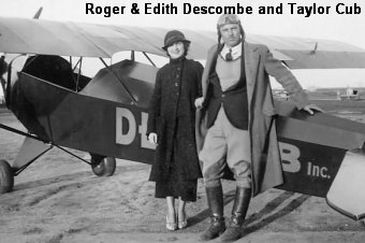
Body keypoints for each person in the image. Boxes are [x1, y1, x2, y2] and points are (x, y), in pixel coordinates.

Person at [195, 14, 322, 242]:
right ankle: (216, 222)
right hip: (216, 119)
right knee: (209, 169)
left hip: (243, 120)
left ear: (241, 30)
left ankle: (236, 225)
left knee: (242, 170)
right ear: (220, 33)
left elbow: (283, 74)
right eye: (226, 30)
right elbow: (211, 83)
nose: (231, 33)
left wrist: (302, 101)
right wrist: (202, 98)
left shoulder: (257, 52)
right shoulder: (213, 51)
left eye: (234, 28)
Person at [147, 30, 203, 231]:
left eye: (178, 44)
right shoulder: (162, 73)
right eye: (171, 45)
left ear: (184, 46)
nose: (175, 47)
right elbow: (155, 102)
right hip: (166, 128)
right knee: (166, 170)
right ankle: (170, 209)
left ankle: (181, 209)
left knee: (187, 170)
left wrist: (200, 99)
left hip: (189, 128)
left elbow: (205, 92)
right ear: (167, 50)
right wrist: (151, 129)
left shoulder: (196, 68)